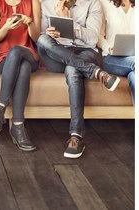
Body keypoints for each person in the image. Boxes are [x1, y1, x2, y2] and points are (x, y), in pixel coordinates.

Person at [36, 0, 121, 158]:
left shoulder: (92, 3)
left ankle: (76, 136)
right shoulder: (46, 2)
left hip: (84, 51)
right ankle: (96, 72)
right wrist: (49, 33)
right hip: (57, 54)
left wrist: (70, 24)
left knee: (72, 69)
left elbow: (93, 39)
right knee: (42, 41)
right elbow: (42, 34)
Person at [0, 0, 41, 151]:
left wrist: (30, 23)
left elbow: (37, 38)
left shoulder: (33, 2)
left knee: (17, 51)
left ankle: (0, 106)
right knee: (22, 66)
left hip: (29, 54)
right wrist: (6, 27)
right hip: (3, 59)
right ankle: (18, 127)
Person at [97, 0, 135, 103]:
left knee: (134, 76)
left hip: (134, 58)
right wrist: (109, 48)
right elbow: (98, 37)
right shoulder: (105, 4)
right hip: (111, 58)